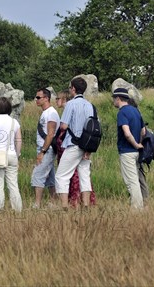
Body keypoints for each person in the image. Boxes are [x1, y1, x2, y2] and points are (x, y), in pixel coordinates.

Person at [55, 77, 95, 210]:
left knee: (61, 176)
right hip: (86, 145)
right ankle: (86, 205)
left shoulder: (71, 104)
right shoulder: (90, 105)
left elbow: (64, 126)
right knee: (84, 175)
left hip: (73, 144)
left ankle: (65, 207)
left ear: (73, 89)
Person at [113, 88, 147, 210]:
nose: (113, 101)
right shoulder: (136, 111)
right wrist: (140, 144)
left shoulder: (122, 112)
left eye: (113, 98)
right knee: (138, 179)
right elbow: (143, 131)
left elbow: (126, 133)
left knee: (131, 182)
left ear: (118, 98)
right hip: (138, 152)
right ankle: (142, 205)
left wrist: (135, 144)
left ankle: (137, 209)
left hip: (127, 151)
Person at [0, 97, 22, 212]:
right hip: (11, 155)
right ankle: (17, 209)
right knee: (13, 184)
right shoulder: (14, 122)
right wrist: (17, 155)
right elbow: (18, 140)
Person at [31, 88, 59, 208]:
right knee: (50, 177)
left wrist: (42, 151)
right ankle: (53, 202)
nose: (36, 100)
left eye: (38, 97)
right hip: (46, 149)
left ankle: (37, 204)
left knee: (38, 174)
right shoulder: (46, 112)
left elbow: (51, 133)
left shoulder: (51, 113)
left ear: (46, 98)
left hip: (47, 150)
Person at [128, 97, 149, 205]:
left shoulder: (131, 115)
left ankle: (140, 201)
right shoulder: (138, 115)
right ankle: (143, 199)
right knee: (139, 175)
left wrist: (136, 144)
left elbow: (141, 132)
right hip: (140, 149)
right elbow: (143, 132)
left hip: (133, 149)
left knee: (136, 178)